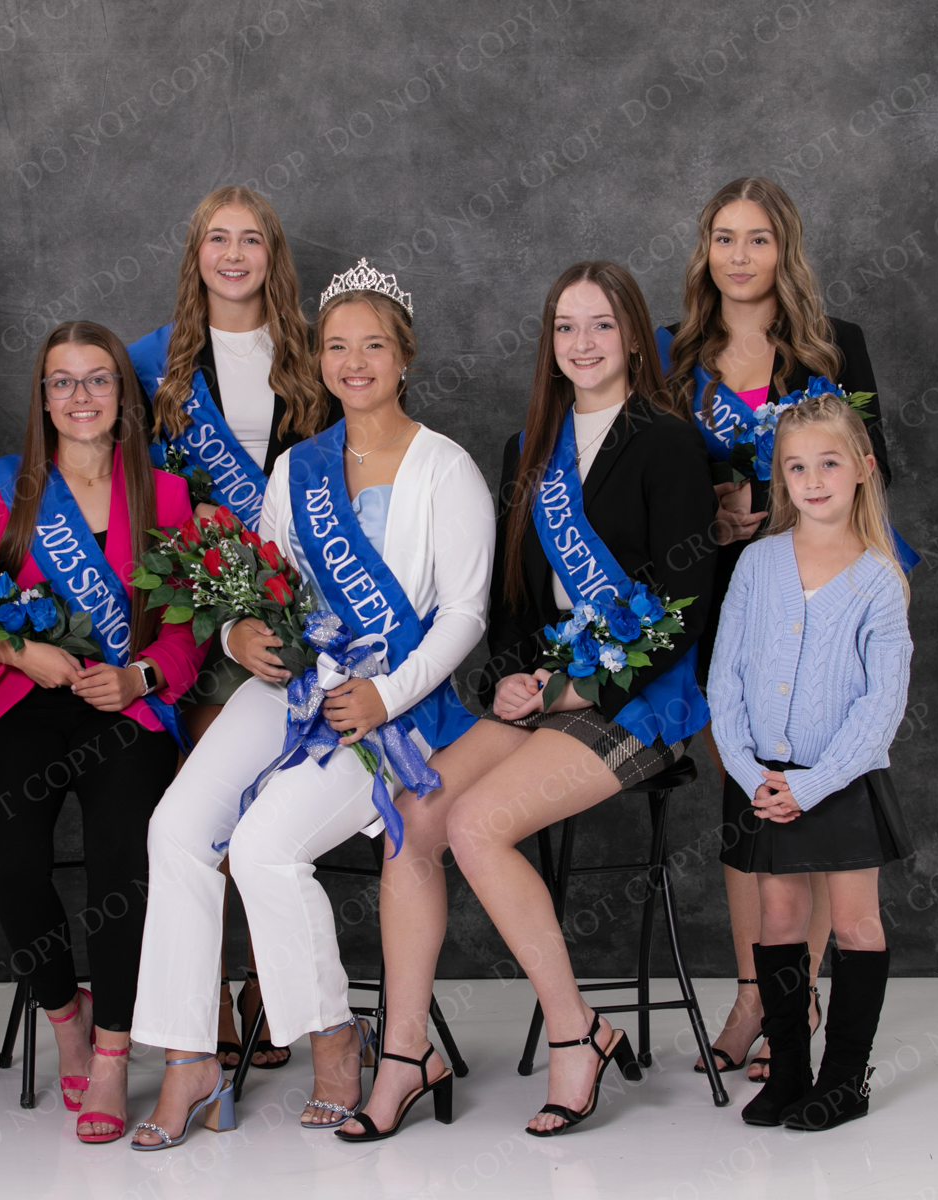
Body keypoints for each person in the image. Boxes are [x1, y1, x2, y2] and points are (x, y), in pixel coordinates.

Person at [129, 260, 492, 1150]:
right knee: (175, 829)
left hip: (393, 707)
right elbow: (268, 583)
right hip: (293, 684)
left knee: (263, 846)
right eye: (337, 346)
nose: (353, 363)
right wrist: (234, 637)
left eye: (373, 346)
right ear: (319, 359)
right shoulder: (299, 467)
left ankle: (335, 1037)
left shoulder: (446, 467)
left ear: (403, 357)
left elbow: (466, 614)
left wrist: (385, 694)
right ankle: (189, 1055)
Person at [357, 262, 717, 1140]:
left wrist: (577, 686)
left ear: (632, 336)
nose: (582, 344)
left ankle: (574, 1032)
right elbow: (514, 602)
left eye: (601, 325)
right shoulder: (530, 450)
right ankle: (406, 1052)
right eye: (565, 327)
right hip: (546, 691)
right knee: (412, 819)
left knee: (478, 825)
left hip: (637, 699)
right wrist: (509, 677)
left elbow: (685, 602)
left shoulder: (670, 442)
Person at [657, 178, 898, 1081]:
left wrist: (784, 509)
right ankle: (756, 992)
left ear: (784, 248)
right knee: (746, 792)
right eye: (724, 238)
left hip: (818, 581)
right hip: (723, 589)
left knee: (820, 783)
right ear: (705, 251)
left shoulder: (835, 347)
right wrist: (708, 520)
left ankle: (805, 996)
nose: (740, 256)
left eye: (758, 238)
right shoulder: (674, 356)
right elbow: (651, 484)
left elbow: (874, 466)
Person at [0, 321, 203, 1144]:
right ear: (43, 397)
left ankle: (115, 1054)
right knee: (11, 864)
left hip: (123, 706)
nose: (81, 396)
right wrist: (20, 652)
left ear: (123, 394)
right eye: (63, 381)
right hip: (20, 698)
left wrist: (140, 677)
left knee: (121, 863)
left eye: (98, 379)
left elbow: (184, 631)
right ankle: (67, 1020)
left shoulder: (166, 495)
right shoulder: (1, 484)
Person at [127, 186, 338, 1071]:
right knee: (211, 802)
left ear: (272, 255)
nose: (234, 254)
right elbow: (139, 495)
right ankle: (211, 988)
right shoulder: (156, 365)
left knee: (276, 806)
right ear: (197, 255)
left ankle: (268, 985)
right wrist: (217, 600)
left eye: (251, 239)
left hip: (306, 602)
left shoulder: (312, 355)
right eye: (218, 238)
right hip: (208, 606)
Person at [706, 393, 913, 1131]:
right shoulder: (757, 564)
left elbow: (882, 703)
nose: (813, 480)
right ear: (780, 478)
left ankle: (845, 1079)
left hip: (842, 779)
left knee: (854, 921)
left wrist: (813, 783)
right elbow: (725, 677)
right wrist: (748, 772)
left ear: (862, 469)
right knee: (779, 915)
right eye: (796, 468)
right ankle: (789, 1068)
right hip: (763, 778)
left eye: (829, 463)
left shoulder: (880, 578)